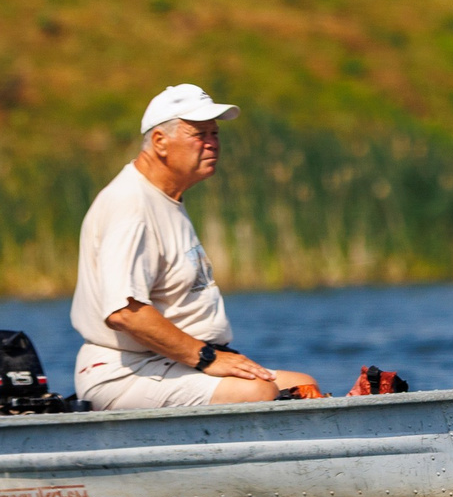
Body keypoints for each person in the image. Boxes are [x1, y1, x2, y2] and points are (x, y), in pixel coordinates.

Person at [71, 84, 324, 410]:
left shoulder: (166, 198)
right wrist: (206, 358)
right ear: (160, 142)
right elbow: (124, 312)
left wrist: (213, 358)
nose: (212, 144)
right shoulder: (130, 204)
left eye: (215, 133)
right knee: (257, 392)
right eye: (199, 134)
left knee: (304, 385)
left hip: (170, 364)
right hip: (122, 373)